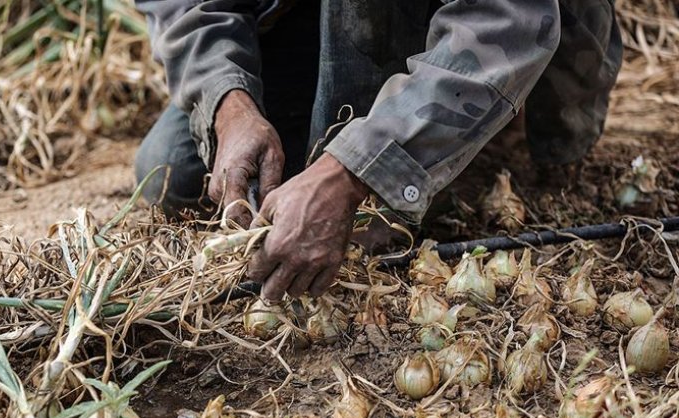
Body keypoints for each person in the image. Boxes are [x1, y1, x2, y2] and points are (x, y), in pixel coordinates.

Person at [133, 0, 622, 304]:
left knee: (387, 218)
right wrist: (228, 104)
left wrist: (349, 173)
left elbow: (508, 20)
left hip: (470, 20)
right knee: (173, 175)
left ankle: (502, 117)